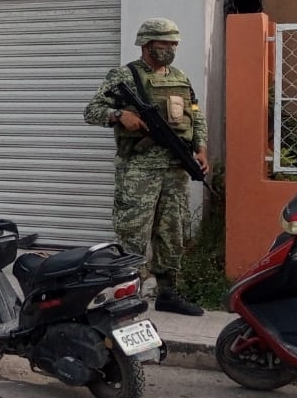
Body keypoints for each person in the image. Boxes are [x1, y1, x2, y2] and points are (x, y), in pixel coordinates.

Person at [84, 17, 210, 316]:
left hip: (175, 167)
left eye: (174, 43)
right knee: (133, 232)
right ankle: (126, 293)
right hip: (139, 170)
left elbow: (195, 113)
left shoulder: (179, 77)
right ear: (148, 45)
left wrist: (201, 148)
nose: (171, 49)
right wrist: (118, 115)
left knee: (172, 232)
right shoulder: (124, 76)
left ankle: (168, 292)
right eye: (165, 43)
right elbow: (91, 111)